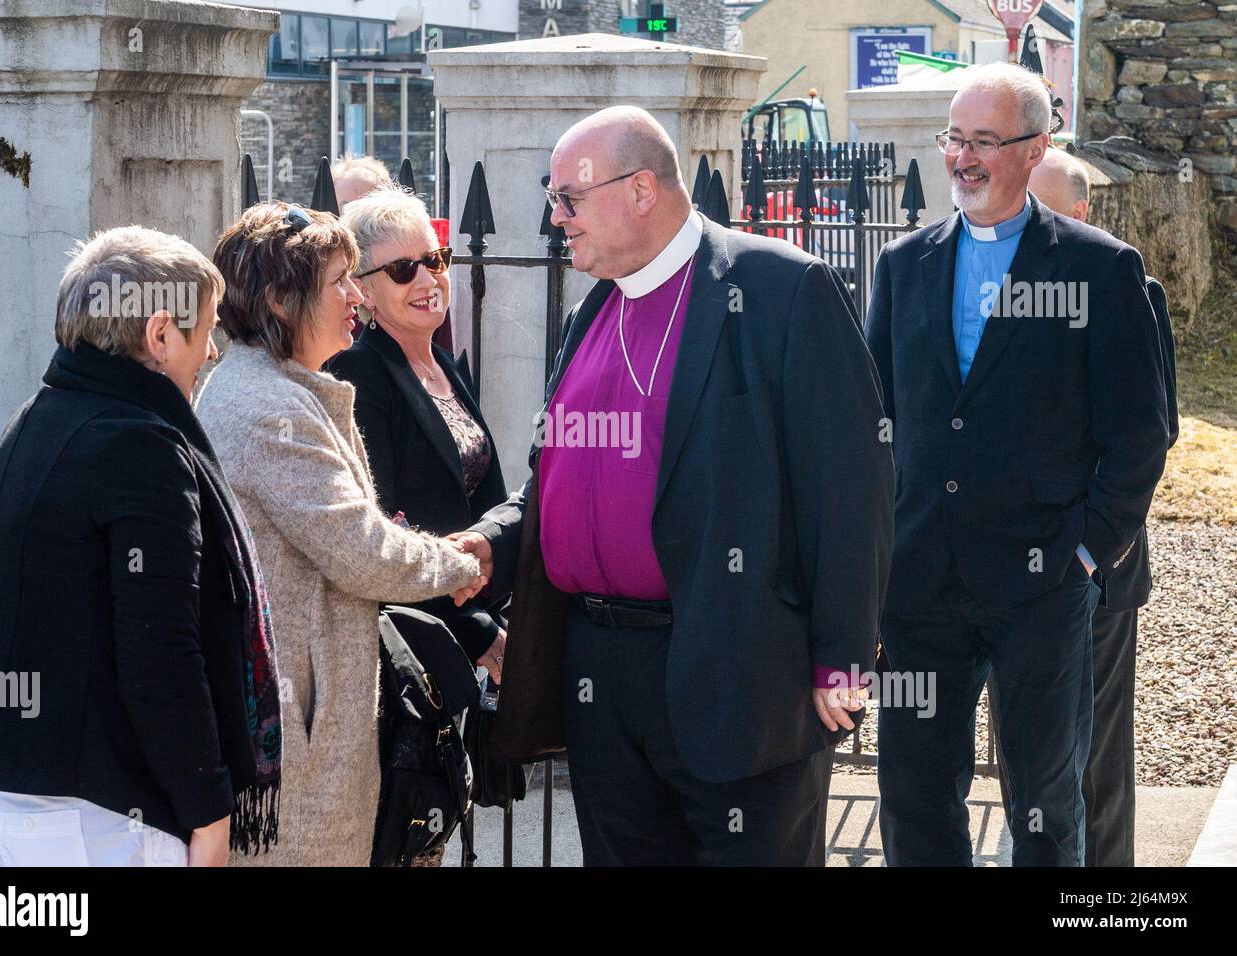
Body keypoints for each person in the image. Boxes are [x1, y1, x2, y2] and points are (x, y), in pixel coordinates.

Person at [450, 106, 894, 866]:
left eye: (569, 199)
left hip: (741, 663)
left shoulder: (781, 289)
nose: (555, 220)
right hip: (600, 672)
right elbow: (558, 478)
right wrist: (496, 540)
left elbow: (852, 493)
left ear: (642, 189)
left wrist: (843, 659)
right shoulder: (595, 307)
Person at [864, 63, 1171, 866]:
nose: (962, 159)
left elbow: (1140, 434)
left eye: (984, 143)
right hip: (919, 587)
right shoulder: (903, 266)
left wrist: (1083, 550)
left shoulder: (1102, 269)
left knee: (1044, 804)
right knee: (914, 799)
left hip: (1042, 588)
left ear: (1035, 149)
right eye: (954, 140)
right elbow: (876, 423)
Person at [0, 226, 281, 867]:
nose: (210, 353)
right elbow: (159, 653)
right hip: (96, 821)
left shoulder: (36, 417)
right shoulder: (138, 444)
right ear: (159, 335)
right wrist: (209, 812)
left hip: (9, 799)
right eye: (205, 328)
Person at [196, 201, 483, 866]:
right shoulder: (267, 406)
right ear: (279, 298)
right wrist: (460, 565)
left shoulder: (286, 389)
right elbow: (361, 551)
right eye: (341, 282)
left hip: (305, 718)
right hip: (297, 733)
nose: (358, 296)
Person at [985, 145, 1180, 867]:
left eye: (1039, 209)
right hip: (998, 572)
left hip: (1092, 569)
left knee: (1094, 753)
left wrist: (1087, 550)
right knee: (1020, 745)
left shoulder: (1129, 286)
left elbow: (1153, 433)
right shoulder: (977, 291)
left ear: (1081, 213)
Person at [327, 185, 510, 867]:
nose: (429, 279)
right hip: (404, 653)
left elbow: (483, 506)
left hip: (457, 642)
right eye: (403, 269)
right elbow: (381, 527)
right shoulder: (358, 374)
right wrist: (478, 627)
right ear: (363, 291)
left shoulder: (442, 363)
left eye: (434, 259)